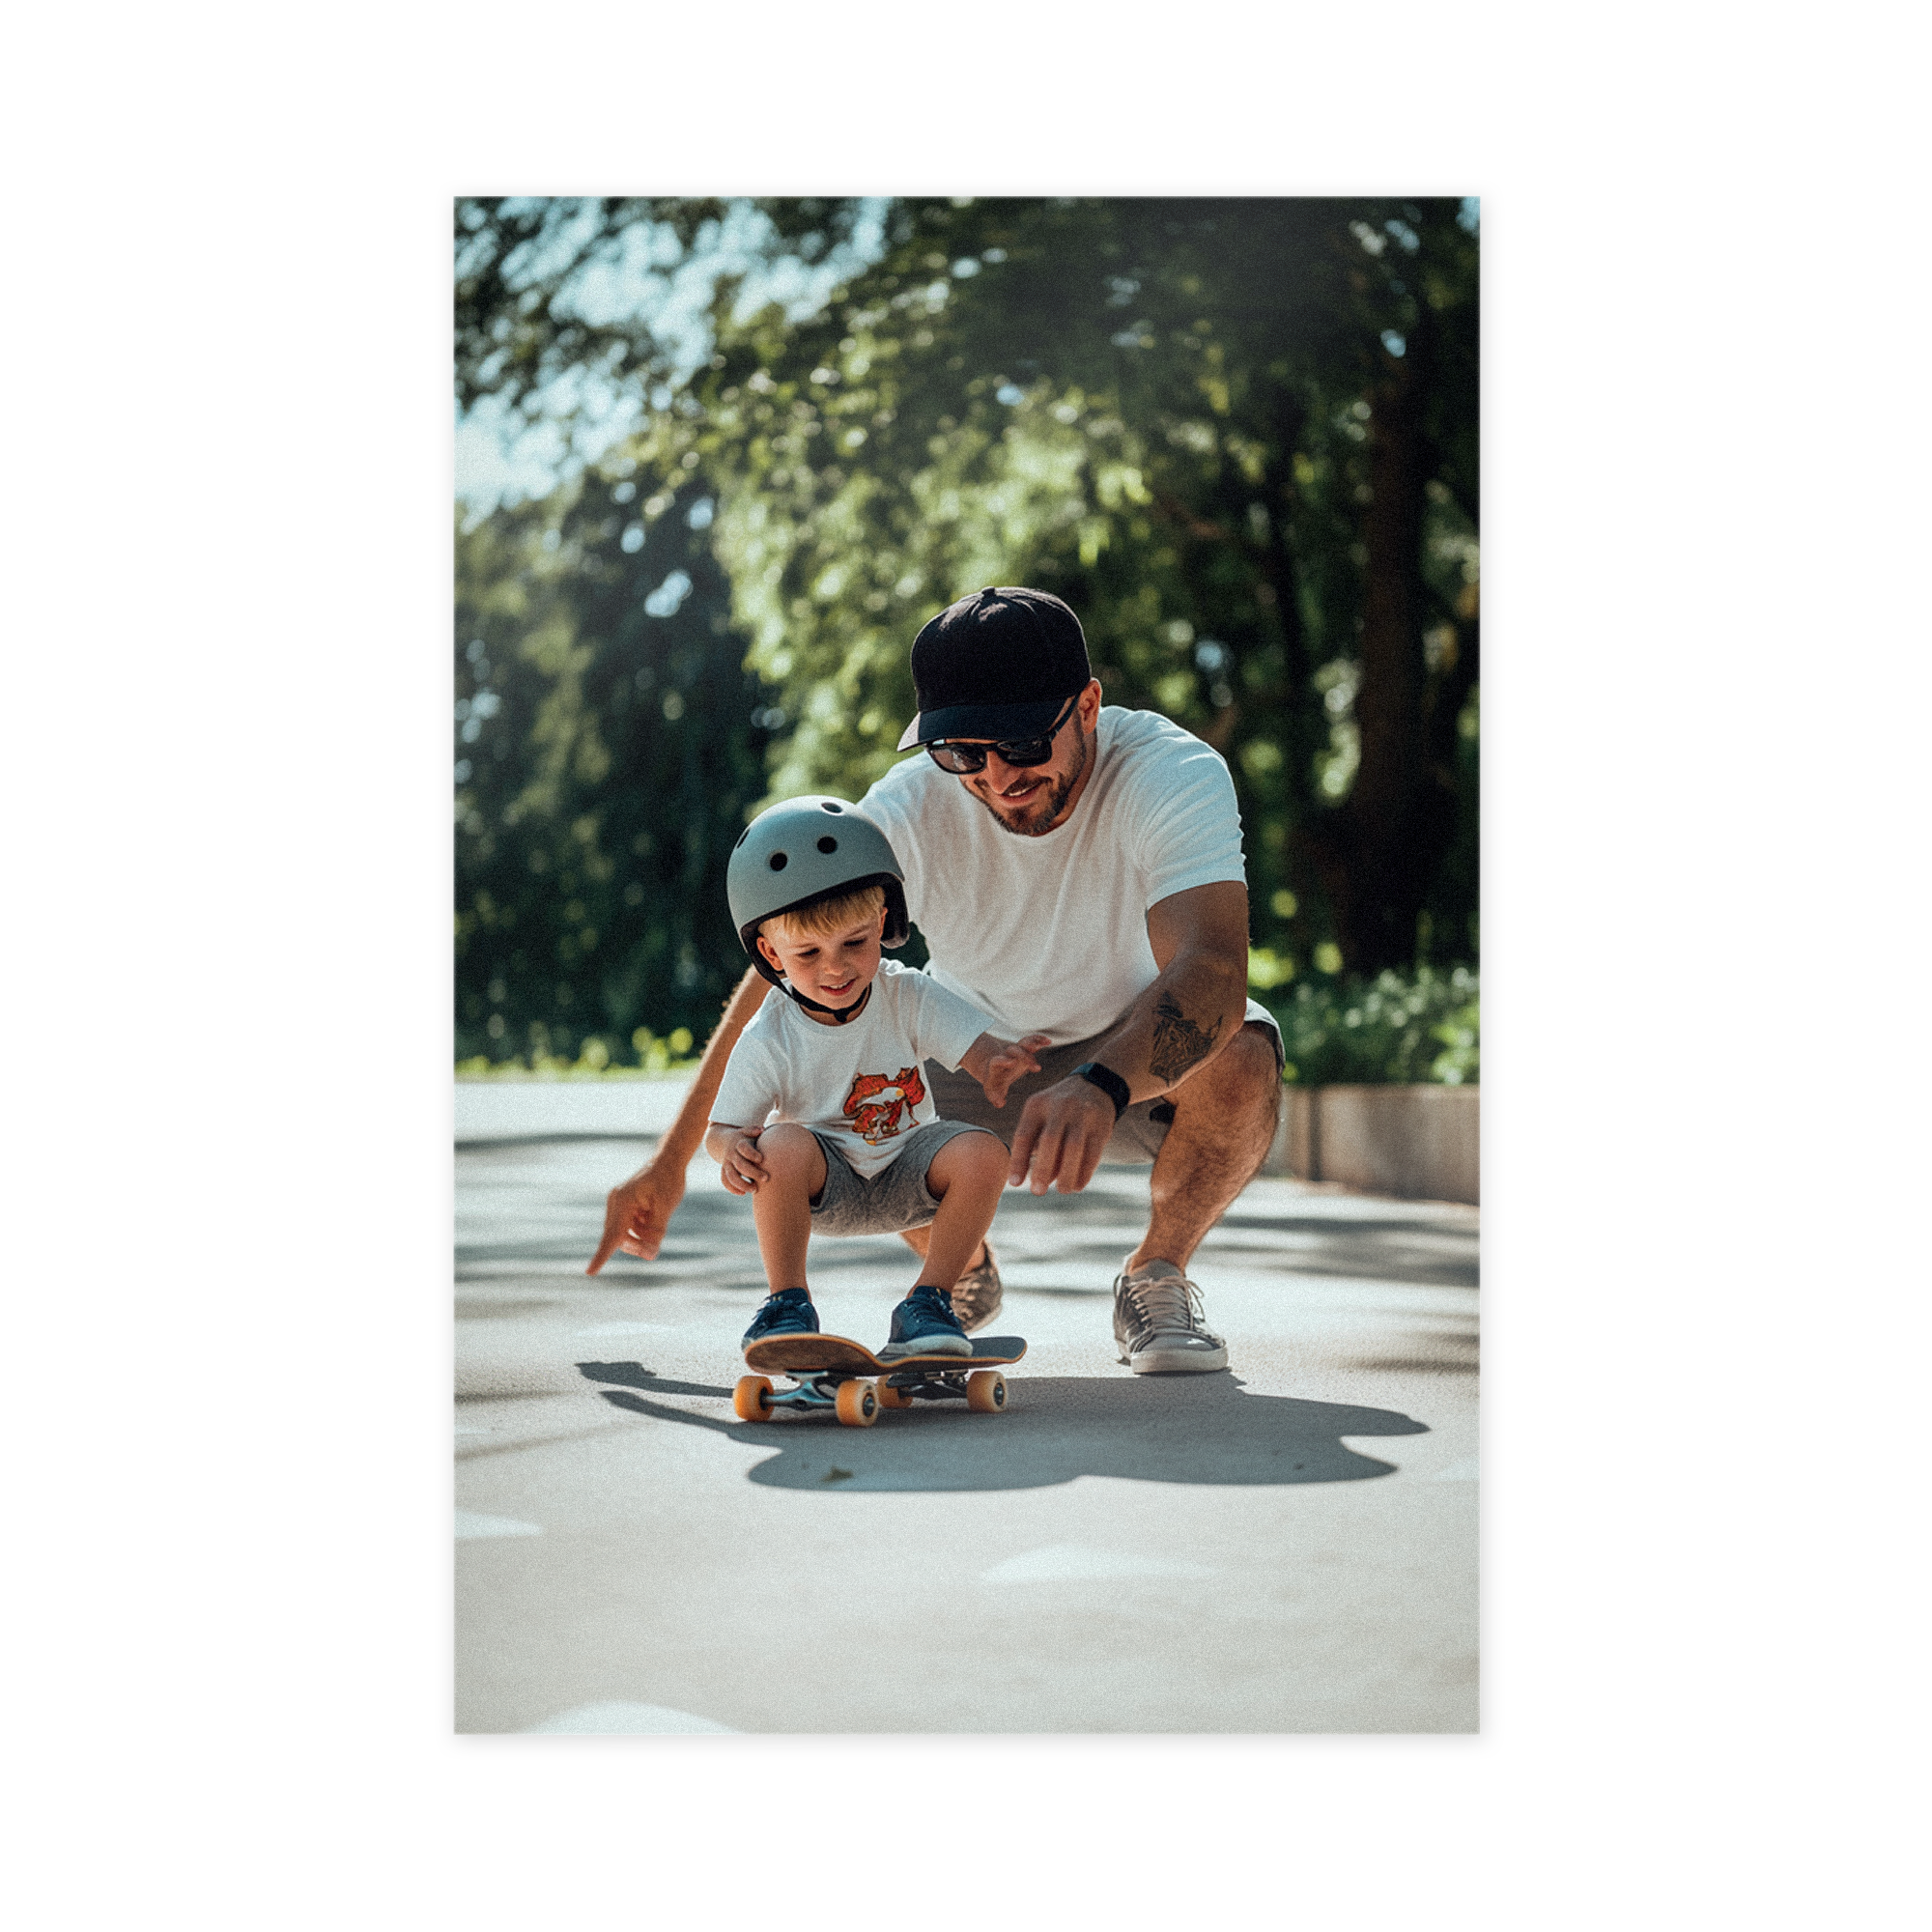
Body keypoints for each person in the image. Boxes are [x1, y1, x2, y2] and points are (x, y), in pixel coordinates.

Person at [590, 585, 1283, 1374]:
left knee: (1242, 1053)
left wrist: (1100, 1082)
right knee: (822, 1062)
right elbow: (782, 979)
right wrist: (670, 1160)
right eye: (961, 753)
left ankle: (1155, 1274)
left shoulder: (1170, 773)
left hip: (1131, 1058)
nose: (996, 777)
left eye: (1022, 743)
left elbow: (1215, 969)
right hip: (965, 1055)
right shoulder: (906, 811)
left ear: (1087, 705)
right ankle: (957, 1275)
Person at [705, 794, 1049, 1358]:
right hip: (827, 1183)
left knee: (983, 1152)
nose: (835, 967)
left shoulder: (905, 993)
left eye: (854, 943)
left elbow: (975, 1048)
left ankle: (929, 1302)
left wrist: (997, 1062)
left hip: (909, 1170)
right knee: (781, 1142)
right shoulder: (771, 1034)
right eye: (808, 953)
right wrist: (730, 1151)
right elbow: (721, 1130)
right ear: (770, 951)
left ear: (883, 922)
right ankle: (787, 1304)